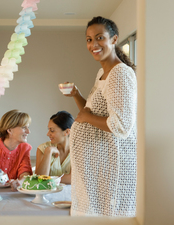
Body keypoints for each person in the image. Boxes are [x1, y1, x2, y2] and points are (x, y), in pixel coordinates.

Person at [64, 16, 137, 217]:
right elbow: (88, 114)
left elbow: (120, 125)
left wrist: (86, 118)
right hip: (99, 169)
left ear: (114, 39)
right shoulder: (102, 73)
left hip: (113, 168)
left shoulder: (119, 73)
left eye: (99, 38)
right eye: (89, 39)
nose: (93, 44)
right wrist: (76, 95)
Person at [0, 109, 33, 191]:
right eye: (24, 127)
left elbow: (25, 172)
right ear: (9, 130)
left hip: (11, 195)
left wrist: (20, 182)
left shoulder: (25, 148)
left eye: (28, 127)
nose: (28, 131)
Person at [35, 111, 74, 184]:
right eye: (48, 129)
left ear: (67, 132)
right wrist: (48, 152)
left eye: (52, 130)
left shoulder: (78, 150)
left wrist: (48, 178)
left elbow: (73, 178)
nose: (48, 134)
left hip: (70, 194)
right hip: (47, 194)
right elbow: (39, 179)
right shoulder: (43, 148)